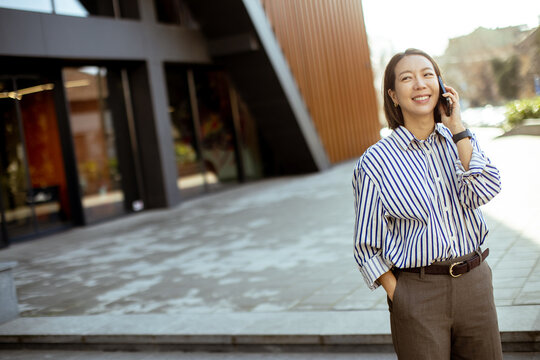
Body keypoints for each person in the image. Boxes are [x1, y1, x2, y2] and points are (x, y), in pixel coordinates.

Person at [352, 48, 503, 359]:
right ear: (393, 95)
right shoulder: (375, 162)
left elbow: (486, 189)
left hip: (475, 283)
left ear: (441, 86)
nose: (419, 84)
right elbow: (366, 246)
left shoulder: (459, 141)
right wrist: (401, 296)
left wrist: (458, 127)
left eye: (427, 75)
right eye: (407, 78)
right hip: (419, 292)